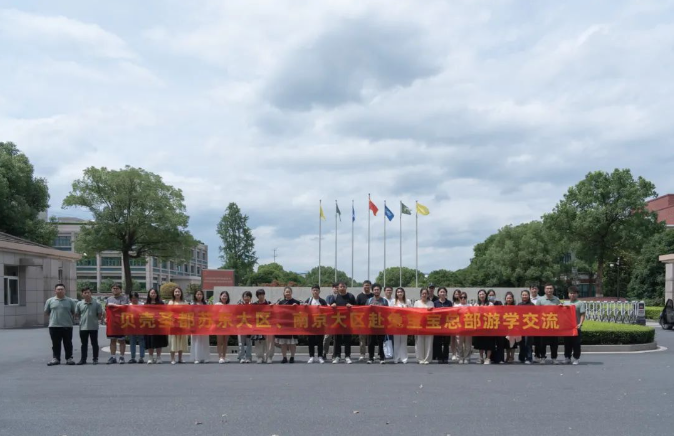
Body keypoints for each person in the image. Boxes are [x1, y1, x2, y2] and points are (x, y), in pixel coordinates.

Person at [45, 283, 77, 366]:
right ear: (55, 291)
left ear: (65, 291)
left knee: (68, 343)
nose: (60, 290)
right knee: (55, 344)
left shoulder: (70, 301)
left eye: (62, 289)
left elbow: (74, 312)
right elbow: (47, 312)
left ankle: (69, 358)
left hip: (67, 326)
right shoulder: (50, 301)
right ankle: (56, 358)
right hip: (54, 326)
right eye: (58, 289)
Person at [535, 284, 562, 364]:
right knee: (542, 343)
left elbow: (560, 312)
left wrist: (561, 307)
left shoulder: (557, 299)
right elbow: (536, 312)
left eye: (551, 288)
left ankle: (554, 358)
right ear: (544, 290)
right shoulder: (540, 300)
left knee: (554, 343)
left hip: (553, 324)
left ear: (553, 289)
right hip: (543, 324)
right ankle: (543, 357)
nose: (549, 290)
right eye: (547, 288)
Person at [75, 287, 102, 365]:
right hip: (83, 327)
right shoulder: (79, 304)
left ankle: (95, 359)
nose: (87, 294)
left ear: (91, 293)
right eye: (85, 293)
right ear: (82, 294)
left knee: (94, 343)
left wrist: (97, 320)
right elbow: (77, 314)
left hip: (93, 327)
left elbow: (99, 314)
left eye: (88, 292)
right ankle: (83, 359)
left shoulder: (97, 303)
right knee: (84, 344)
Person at [331, 281, 356, 364]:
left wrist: (351, 306)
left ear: (346, 287)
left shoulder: (351, 296)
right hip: (337, 321)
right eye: (340, 286)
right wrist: (332, 306)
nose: (342, 288)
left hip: (348, 321)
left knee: (347, 339)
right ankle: (337, 356)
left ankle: (347, 356)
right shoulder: (334, 297)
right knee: (337, 340)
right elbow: (329, 308)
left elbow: (357, 308)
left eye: (343, 286)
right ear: (338, 288)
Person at [276, 287, 301, 363]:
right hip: (283, 325)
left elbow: (301, 312)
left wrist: (297, 307)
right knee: (283, 342)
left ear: (291, 292)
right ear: (284, 293)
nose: (288, 293)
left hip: (292, 325)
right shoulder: (281, 302)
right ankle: (284, 357)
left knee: (292, 342)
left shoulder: (296, 302)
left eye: (289, 292)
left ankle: (292, 357)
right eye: (286, 292)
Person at [106, 283, 129, 364]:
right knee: (112, 340)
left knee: (121, 341)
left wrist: (113, 305)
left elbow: (124, 308)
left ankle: (122, 357)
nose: (115, 290)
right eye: (114, 288)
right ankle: (113, 357)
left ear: (120, 290)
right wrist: (105, 318)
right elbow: (106, 310)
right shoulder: (109, 299)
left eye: (117, 288)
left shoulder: (124, 298)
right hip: (112, 323)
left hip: (121, 323)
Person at [144, 288, 168, 364]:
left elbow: (164, 313)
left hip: (159, 325)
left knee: (159, 342)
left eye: (154, 293)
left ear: (157, 294)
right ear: (149, 294)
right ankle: (150, 357)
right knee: (150, 342)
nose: (153, 294)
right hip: (149, 326)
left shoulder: (161, 303)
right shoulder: (146, 303)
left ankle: (158, 357)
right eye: (152, 293)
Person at [366, 283, 389, 364]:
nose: (376, 291)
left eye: (378, 290)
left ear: (380, 291)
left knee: (381, 342)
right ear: (372, 291)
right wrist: (369, 307)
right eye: (375, 290)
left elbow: (387, 312)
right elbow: (365, 312)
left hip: (381, 324)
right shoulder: (369, 301)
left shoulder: (384, 301)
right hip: (371, 324)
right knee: (371, 342)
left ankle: (382, 358)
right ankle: (371, 358)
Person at [305, 285, 328, 364]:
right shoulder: (308, 300)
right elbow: (303, 310)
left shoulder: (322, 301)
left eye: (317, 290)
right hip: (311, 323)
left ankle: (320, 356)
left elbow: (327, 311)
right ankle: (311, 356)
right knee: (311, 340)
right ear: (311, 291)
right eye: (314, 290)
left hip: (320, 323)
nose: (315, 291)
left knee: (320, 341)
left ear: (319, 291)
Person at [564, 285, 586, 365]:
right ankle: (567, 357)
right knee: (567, 344)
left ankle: (576, 358)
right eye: (571, 293)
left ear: (577, 294)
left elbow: (583, 314)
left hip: (576, 327)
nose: (572, 295)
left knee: (576, 344)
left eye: (574, 293)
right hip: (567, 327)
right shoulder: (565, 303)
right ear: (568, 294)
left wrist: (580, 323)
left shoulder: (580, 303)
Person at [253, 289, 274, 364]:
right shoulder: (254, 304)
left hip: (268, 325)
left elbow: (274, 313)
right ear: (257, 296)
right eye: (259, 295)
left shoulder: (269, 303)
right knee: (259, 341)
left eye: (262, 294)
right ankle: (260, 357)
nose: (261, 296)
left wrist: (272, 307)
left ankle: (269, 357)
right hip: (258, 325)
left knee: (269, 341)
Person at [168, 287, 189, 365]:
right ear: (173, 293)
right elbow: (168, 313)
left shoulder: (185, 302)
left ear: (181, 293)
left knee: (181, 341)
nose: (177, 293)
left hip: (182, 324)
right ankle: (172, 359)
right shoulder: (171, 302)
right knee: (173, 341)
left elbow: (188, 312)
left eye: (178, 292)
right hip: (173, 324)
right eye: (176, 292)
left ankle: (180, 358)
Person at [473, 289, 494, 364]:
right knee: (480, 342)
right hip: (479, 326)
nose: (482, 295)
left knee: (489, 342)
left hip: (488, 326)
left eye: (483, 294)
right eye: (480, 294)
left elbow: (493, 314)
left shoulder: (490, 304)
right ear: (478, 296)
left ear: (486, 295)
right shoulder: (476, 304)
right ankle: (481, 357)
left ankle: (488, 358)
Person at [414, 288, 434, 364]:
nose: (424, 295)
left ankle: (427, 359)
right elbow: (413, 313)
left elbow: (434, 314)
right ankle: (420, 359)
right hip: (419, 325)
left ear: (428, 295)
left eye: (426, 293)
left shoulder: (431, 303)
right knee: (419, 342)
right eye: (423, 293)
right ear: (420, 294)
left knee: (429, 342)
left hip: (429, 325)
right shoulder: (417, 303)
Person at [433, 287, 452, 363]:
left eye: (444, 292)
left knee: (446, 343)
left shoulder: (449, 303)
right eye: (441, 292)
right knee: (438, 342)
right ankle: (439, 357)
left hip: (447, 325)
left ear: (446, 293)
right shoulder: (435, 303)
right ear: (438, 293)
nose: (442, 293)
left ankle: (445, 357)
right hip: (438, 325)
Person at [392, 288, 411, 364]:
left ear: (404, 293)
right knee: (396, 341)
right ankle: (396, 358)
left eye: (401, 292)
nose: (400, 293)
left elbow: (411, 311)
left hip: (404, 324)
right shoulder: (393, 301)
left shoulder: (408, 301)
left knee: (403, 341)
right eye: (398, 292)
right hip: (395, 324)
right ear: (396, 293)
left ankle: (404, 358)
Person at [355, 280, 373, 361]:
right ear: (363, 286)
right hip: (361, 321)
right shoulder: (359, 296)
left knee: (370, 339)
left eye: (368, 285)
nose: (367, 287)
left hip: (371, 320)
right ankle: (362, 354)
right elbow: (356, 308)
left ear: (370, 286)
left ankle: (371, 354)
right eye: (365, 285)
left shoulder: (373, 296)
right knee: (362, 339)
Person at [191, 289, 210, 364]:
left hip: (204, 324)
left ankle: (204, 357)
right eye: (198, 294)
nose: (199, 296)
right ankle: (197, 358)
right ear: (195, 295)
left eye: (200, 294)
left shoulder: (205, 304)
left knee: (204, 341)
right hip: (195, 325)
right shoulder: (192, 304)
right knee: (196, 341)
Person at [487, 289, 506, 364]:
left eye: (493, 295)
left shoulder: (499, 303)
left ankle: (500, 359)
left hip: (499, 326)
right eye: (490, 295)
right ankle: (491, 358)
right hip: (490, 326)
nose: (491, 296)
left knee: (500, 343)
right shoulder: (487, 304)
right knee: (490, 343)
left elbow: (502, 312)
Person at [322, 282, 340, 360]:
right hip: (329, 320)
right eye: (335, 287)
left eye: (337, 287)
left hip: (339, 319)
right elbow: (327, 306)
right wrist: (331, 306)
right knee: (327, 337)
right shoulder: (329, 297)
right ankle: (324, 352)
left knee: (336, 338)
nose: (336, 289)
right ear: (332, 288)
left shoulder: (341, 297)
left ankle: (334, 354)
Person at [454, 291, 472, 364]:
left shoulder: (470, 306)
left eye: (464, 297)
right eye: (461, 297)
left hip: (468, 327)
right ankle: (460, 357)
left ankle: (467, 357)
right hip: (459, 327)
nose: (463, 298)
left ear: (466, 298)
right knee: (459, 343)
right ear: (459, 298)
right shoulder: (456, 306)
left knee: (468, 344)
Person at [128, 292, 146, 364]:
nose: (134, 299)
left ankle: (141, 357)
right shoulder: (128, 306)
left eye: (135, 298)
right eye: (132, 298)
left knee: (141, 341)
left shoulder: (142, 305)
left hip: (140, 326)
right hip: (131, 326)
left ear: (138, 298)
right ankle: (133, 357)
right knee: (132, 341)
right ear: (130, 299)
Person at [518, 290, 534, 364]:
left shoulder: (532, 305)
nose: (524, 296)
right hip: (521, 326)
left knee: (528, 343)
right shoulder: (519, 305)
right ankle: (521, 358)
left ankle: (529, 358)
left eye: (526, 295)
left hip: (529, 326)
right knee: (521, 343)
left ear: (528, 296)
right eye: (523, 295)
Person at [215, 290, 231, 364]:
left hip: (227, 325)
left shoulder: (229, 306)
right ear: (220, 296)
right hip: (219, 325)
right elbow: (214, 314)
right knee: (219, 341)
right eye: (223, 296)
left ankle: (224, 356)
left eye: (226, 296)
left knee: (225, 342)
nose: (224, 297)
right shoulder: (217, 304)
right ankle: (220, 357)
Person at [503, 291, 519, 363]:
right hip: (505, 328)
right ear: (505, 299)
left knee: (513, 343)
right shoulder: (503, 307)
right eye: (507, 298)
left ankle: (512, 357)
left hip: (513, 327)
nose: (509, 299)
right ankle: (507, 356)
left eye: (510, 298)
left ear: (512, 299)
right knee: (507, 343)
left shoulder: (515, 307)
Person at [238, 291, 254, 363]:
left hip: (249, 327)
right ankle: (241, 357)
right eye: (245, 296)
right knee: (241, 343)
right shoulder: (239, 305)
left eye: (248, 296)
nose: (246, 298)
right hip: (241, 326)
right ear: (243, 298)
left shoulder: (253, 306)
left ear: (250, 298)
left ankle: (248, 357)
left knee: (249, 343)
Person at [529, 285, 543, 361]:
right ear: (530, 290)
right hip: (528, 322)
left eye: (535, 289)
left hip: (538, 322)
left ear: (538, 290)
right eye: (532, 289)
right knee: (529, 340)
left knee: (538, 340)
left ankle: (537, 355)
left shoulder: (541, 299)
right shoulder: (527, 298)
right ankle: (529, 356)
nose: (534, 290)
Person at [450, 289, 462, 361]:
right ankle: (453, 354)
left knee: (459, 339)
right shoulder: (452, 303)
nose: (457, 295)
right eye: (456, 294)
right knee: (453, 339)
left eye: (458, 294)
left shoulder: (462, 303)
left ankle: (458, 353)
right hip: (452, 322)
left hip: (460, 323)